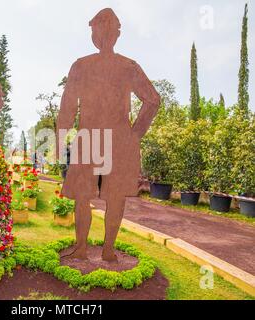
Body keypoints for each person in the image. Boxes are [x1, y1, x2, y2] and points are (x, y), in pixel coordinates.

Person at [56, 8, 160, 261]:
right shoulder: (125, 66)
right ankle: (104, 250)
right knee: (104, 196)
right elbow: (153, 101)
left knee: (90, 196)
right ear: (115, 35)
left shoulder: (85, 65)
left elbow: (68, 108)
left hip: (96, 138)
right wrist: (134, 134)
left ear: (99, 33)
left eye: (95, 29)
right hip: (111, 139)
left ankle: (90, 249)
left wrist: (61, 137)